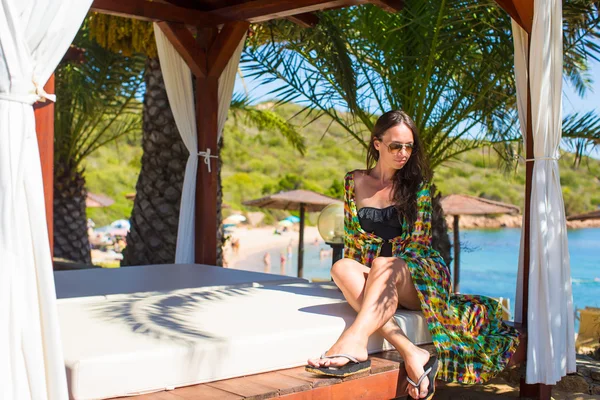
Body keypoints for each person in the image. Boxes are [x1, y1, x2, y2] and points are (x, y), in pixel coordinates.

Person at [305, 110, 520, 400]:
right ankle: (412, 351)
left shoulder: (417, 189)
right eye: (396, 146)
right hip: (381, 276)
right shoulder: (352, 182)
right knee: (342, 267)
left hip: (420, 275)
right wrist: (367, 273)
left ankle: (353, 340)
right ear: (377, 143)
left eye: (409, 146)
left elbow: (417, 247)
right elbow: (354, 244)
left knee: (385, 263)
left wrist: (382, 267)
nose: (404, 153)